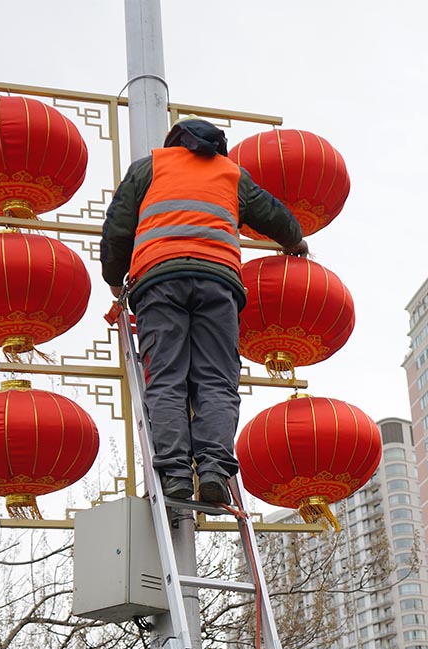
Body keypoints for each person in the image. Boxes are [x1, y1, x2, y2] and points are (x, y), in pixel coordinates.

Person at [100, 117, 308, 504]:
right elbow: (271, 212)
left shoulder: (149, 168)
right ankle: (213, 468)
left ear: (175, 142)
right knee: (216, 380)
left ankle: (176, 474)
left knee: (166, 377)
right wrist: (295, 241)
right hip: (218, 284)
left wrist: (114, 277)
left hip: (158, 283)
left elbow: (118, 226)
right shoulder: (231, 174)